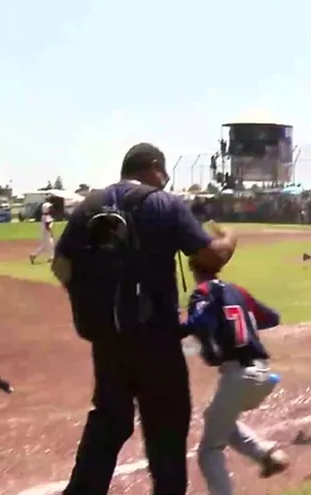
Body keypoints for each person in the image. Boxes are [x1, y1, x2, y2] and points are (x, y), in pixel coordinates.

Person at [51, 143, 238, 495]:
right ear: (153, 167)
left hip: (108, 339)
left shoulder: (89, 206)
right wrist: (230, 238)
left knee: (108, 422)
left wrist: (92, 302)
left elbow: (61, 266)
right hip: (158, 341)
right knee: (166, 433)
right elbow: (211, 258)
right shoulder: (163, 204)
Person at [184, 257, 290, 495]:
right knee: (216, 417)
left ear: (192, 268)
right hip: (263, 375)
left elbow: (199, 322)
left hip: (239, 377)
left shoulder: (201, 294)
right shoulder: (236, 290)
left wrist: (178, 330)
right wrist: (243, 326)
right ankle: (265, 454)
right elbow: (272, 317)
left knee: (209, 451)